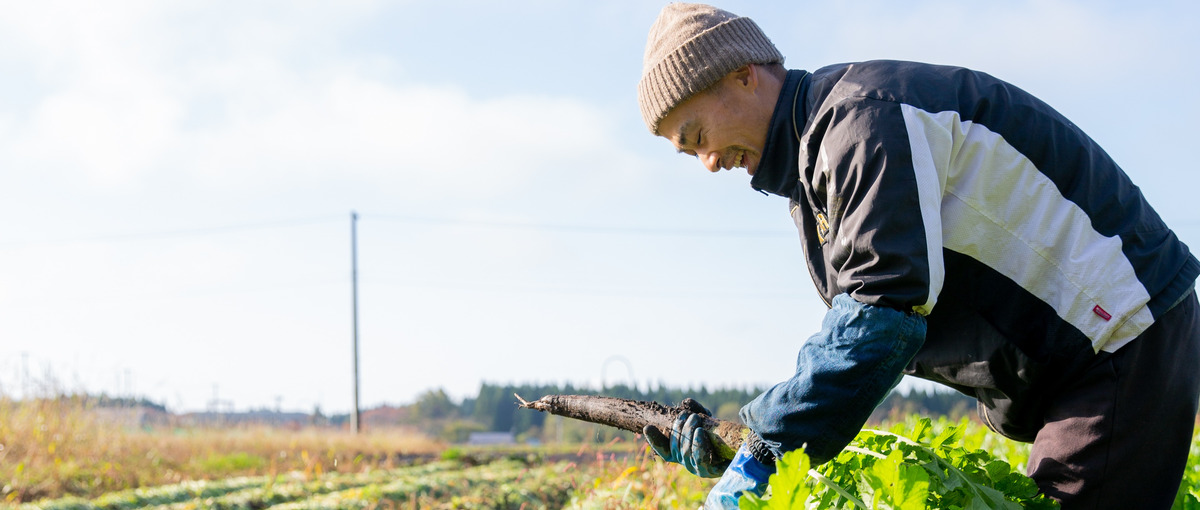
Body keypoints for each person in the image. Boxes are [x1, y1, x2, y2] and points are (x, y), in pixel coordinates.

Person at [636, 3, 1200, 509]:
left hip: (1121, 332)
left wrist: (765, 444)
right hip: (1078, 360)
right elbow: (859, 331)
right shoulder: (815, 170)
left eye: (697, 135)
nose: (709, 163)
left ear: (743, 74)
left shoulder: (860, 123)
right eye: (690, 154)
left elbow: (880, 316)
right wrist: (742, 442)